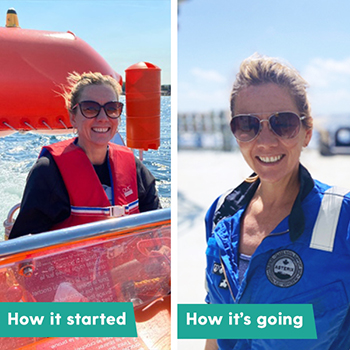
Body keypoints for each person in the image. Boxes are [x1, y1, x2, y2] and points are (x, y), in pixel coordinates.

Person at [205, 54, 350, 349]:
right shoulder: (221, 213)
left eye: (282, 124)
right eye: (247, 124)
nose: (266, 141)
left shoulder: (343, 219)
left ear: (307, 132)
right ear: (236, 133)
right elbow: (214, 323)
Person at [9, 72, 161, 239]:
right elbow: (25, 248)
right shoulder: (48, 172)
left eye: (112, 109)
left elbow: (159, 231)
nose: (103, 118)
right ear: (73, 117)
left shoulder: (135, 168)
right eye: (90, 108)